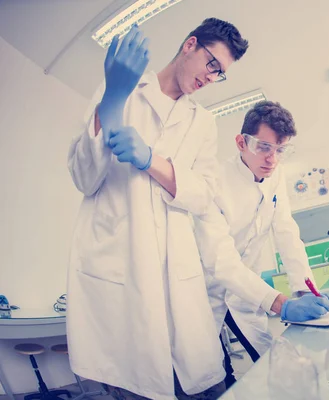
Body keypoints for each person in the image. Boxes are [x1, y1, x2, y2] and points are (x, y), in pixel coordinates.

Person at [67, 19, 249, 400]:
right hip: (123, 283)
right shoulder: (123, 91)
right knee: (136, 386)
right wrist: (113, 98)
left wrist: (153, 160)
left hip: (180, 288)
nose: (211, 77)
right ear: (190, 44)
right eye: (212, 64)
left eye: (221, 75)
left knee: (204, 384)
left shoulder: (203, 122)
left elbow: (203, 196)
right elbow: (84, 177)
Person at [195, 101, 329, 388]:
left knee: (272, 362)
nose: (272, 158)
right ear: (241, 142)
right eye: (263, 147)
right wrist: (281, 304)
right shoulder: (213, 182)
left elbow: (285, 229)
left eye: (280, 150)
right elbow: (221, 261)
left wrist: (305, 288)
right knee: (213, 378)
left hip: (247, 292)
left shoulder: (275, 176)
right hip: (203, 291)